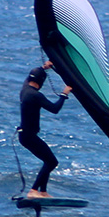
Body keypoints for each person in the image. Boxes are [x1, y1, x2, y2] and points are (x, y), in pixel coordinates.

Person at [18, 61, 72, 198]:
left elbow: (30, 77)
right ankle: (34, 190)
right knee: (51, 162)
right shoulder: (36, 95)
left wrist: (44, 68)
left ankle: (43, 192)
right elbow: (54, 109)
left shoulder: (24, 90)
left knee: (48, 161)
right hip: (29, 137)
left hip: (24, 135)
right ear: (41, 82)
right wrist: (64, 94)